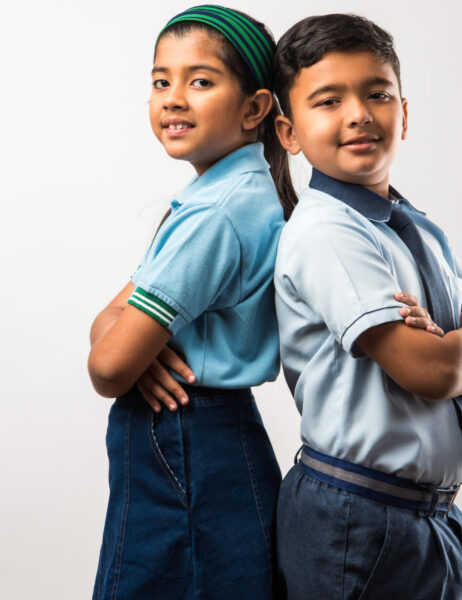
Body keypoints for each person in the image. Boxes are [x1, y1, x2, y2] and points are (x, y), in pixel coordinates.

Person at [272, 13, 462, 600]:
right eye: (328, 100)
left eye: (377, 94)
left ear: (404, 114)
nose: (359, 113)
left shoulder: (418, 232)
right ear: (289, 133)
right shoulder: (326, 233)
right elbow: (432, 372)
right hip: (358, 519)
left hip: (429, 520)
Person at [87, 6, 296, 599]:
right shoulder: (227, 194)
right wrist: (135, 349)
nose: (174, 98)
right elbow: (109, 322)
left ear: (255, 107)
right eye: (161, 81)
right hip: (207, 434)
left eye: (200, 81)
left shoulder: (216, 214)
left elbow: (107, 364)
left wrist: (132, 352)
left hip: (186, 436)